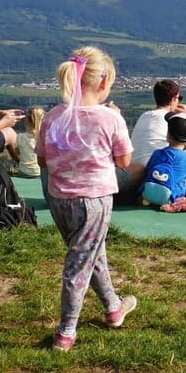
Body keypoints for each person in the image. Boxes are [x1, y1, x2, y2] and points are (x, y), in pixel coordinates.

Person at [35, 46, 138, 352]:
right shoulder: (109, 118)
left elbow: (42, 161)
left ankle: (113, 308)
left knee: (90, 254)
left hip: (59, 199)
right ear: (104, 82)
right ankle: (67, 331)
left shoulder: (53, 117)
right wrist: (117, 121)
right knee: (78, 264)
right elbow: (124, 161)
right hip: (94, 200)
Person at [0, 106, 44, 178]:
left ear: (26, 120)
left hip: (23, 172)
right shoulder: (44, 138)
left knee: (7, 173)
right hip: (40, 173)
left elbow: (17, 153)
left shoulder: (20, 137)